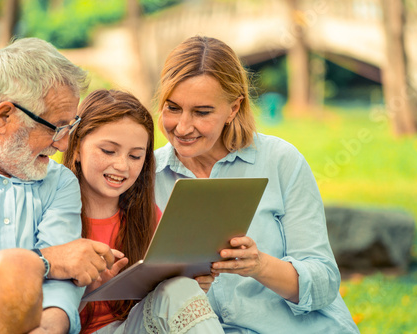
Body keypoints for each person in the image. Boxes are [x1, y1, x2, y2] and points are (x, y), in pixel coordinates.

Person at [153, 35, 360, 333]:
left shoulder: (279, 160)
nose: (183, 127)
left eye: (202, 112)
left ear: (234, 109)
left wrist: (260, 266)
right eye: (172, 108)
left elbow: (324, 281)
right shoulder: (148, 176)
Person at [0, 38, 119, 334]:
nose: (64, 143)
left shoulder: (59, 183)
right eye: (55, 127)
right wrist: (42, 262)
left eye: (71, 126)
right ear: (4, 116)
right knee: (16, 267)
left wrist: (49, 329)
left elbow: (63, 285)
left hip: (33, 328)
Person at [62, 89, 224, 334]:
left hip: (131, 327)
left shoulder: (144, 215)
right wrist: (88, 292)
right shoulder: (55, 213)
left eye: (135, 156)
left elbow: (162, 299)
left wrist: (192, 279)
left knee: (181, 288)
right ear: (75, 148)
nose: (122, 165)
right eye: (108, 151)